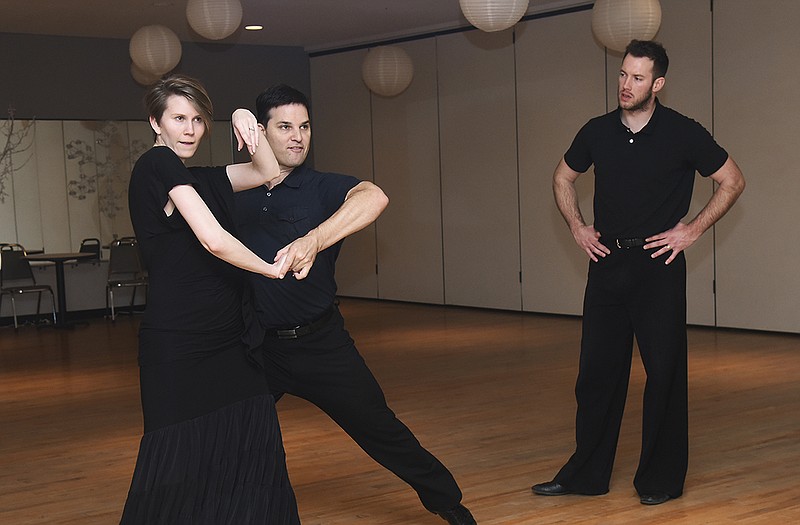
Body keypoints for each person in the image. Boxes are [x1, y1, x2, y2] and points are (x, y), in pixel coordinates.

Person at [233, 84, 477, 525]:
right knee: (233, 434)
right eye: (284, 127)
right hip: (258, 348)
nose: (297, 136)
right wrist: (235, 113)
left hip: (321, 344)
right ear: (261, 132)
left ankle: (447, 502)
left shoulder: (321, 186)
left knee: (380, 429)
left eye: (304, 127)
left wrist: (314, 239)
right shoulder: (236, 189)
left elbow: (374, 197)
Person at [531, 40, 745, 506]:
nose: (626, 85)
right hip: (607, 265)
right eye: (623, 74)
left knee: (664, 373)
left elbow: (732, 179)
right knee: (596, 376)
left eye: (638, 78)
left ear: (658, 84)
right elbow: (562, 176)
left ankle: (660, 482)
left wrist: (691, 230)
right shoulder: (597, 131)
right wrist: (577, 225)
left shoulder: (684, 133)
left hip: (658, 269)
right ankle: (586, 475)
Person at [120, 74, 299, 524]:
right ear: (155, 123)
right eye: (179, 118)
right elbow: (214, 240)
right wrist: (271, 268)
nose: (191, 129)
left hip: (228, 340)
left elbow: (266, 171)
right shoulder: (157, 164)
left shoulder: (196, 178)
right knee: (177, 465)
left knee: (250, 449)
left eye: (199, 120)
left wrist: (244, 118)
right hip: (181, 343)